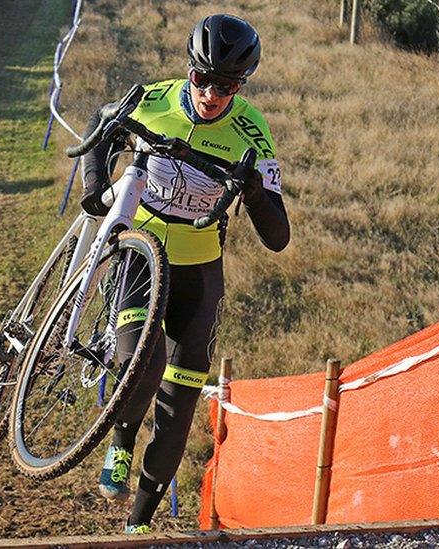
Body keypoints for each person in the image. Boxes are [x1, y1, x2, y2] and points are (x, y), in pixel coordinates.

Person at [79, 13, 289, 534]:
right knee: (139, 366)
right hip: (142, 257)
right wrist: (93, 191)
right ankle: (122, 440)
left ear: (240, 87)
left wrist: (255, 191)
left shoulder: (253, 133)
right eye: (203, 78)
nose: (211, 93)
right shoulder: (150, 100)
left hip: (199, 272)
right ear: (188, 70)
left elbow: (279, 237)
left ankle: (138, 525)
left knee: (178, 407)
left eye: (227, 85)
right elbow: (99, 126)